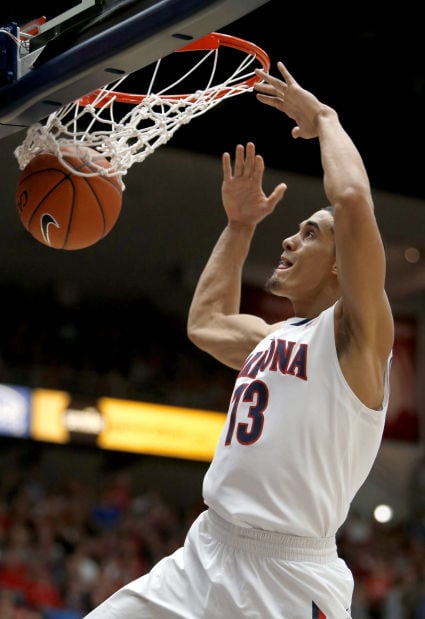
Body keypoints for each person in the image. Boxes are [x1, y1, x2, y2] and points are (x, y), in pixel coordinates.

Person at [83, 62, 394, 618]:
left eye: (310, 233)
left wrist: (324, 118)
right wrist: (239, 225)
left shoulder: (356, 340)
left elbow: (351, 202)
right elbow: (205, 322)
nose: (291, 239)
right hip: (206, 553)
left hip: (288, 579)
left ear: (341, 269)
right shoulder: (274, 335)